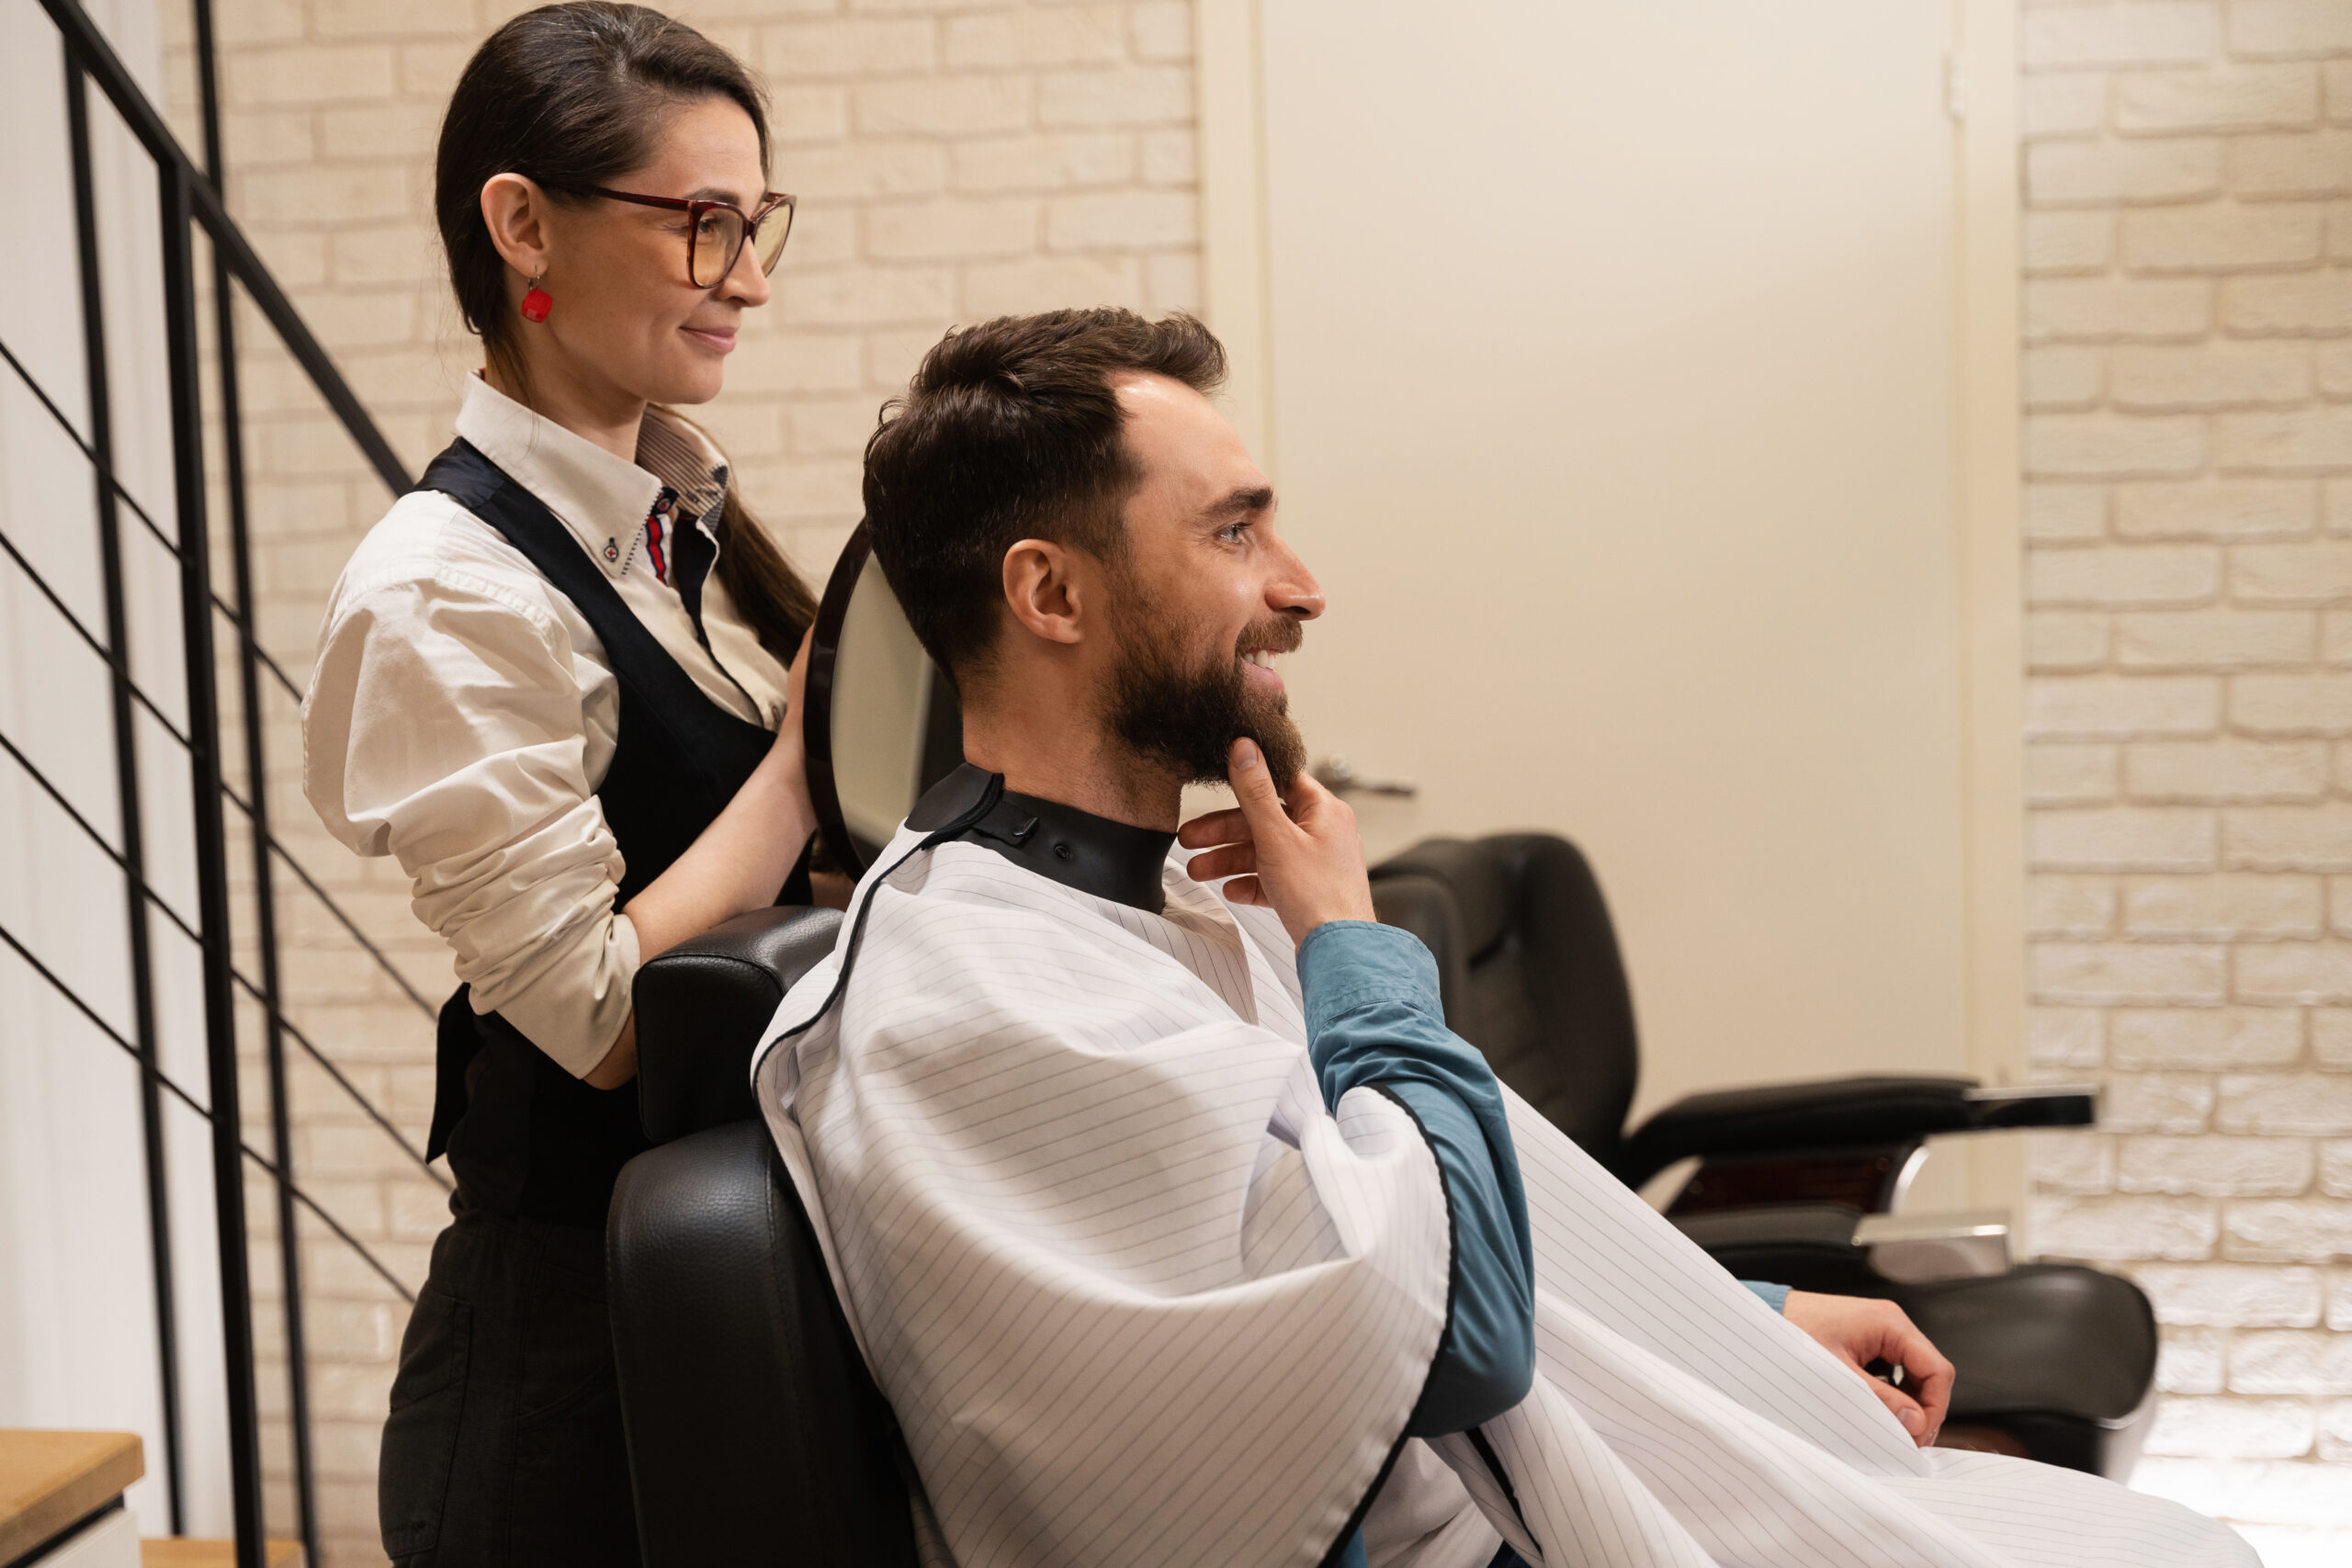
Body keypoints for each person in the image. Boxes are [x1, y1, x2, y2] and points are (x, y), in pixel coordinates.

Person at [751, 309, 2255, 1568]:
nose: (1302, 582)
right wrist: (1356, 946)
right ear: (1051, 593)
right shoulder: (978, 1003)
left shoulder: (1138, 904)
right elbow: (1443, 1336)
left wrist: (1738, 1318)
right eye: (1233, 531)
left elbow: (1378, 1250)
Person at [301, 6, 822, 1563]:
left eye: (757, 221)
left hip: (723, 1309)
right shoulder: (442, 592)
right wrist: (802, 771)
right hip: (566, 1391)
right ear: (523, 223)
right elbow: (596, 1016)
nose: (751, 278)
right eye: (700, 226)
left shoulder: (675, 532)